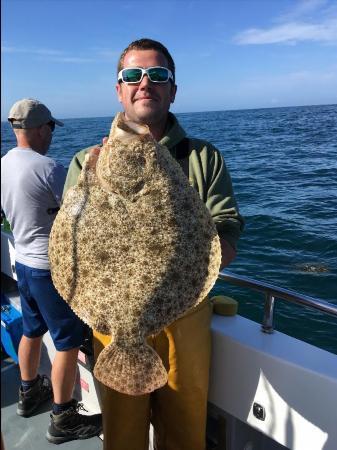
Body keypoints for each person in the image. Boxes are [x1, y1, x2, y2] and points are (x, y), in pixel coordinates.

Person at [64, 39, 244, 450]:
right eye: (133, 75)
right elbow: (70, 245)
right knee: (123, 438)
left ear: (172, 89)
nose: (145, 83)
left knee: (185, 433)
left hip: (187, 319)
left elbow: (227, 227)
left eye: (158, 75)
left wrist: (196, 265)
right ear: (119, 89)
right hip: (115, 326)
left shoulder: (203, 157)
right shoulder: (85, 162)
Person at [1, 98, 102, 444]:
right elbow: (88, 212)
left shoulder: (3, 165)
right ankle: (64, 416)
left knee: (31, 330)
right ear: (41, 129)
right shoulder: (50, 168)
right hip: (50, 270)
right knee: (68, 342)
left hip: (23, 265)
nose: (52, 136)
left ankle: (28, 394)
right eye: (50, 129)